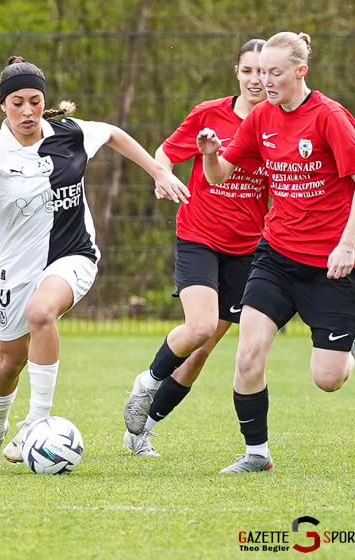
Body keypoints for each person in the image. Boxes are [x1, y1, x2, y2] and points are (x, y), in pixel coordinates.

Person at [0, 56, 190, 472]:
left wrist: (159, 171)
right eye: (17, 103)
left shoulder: (69, 132)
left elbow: (114, 134)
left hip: (74, 255)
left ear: (43, 101)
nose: (27, 111)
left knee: (42, 312)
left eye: (34, 101)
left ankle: (37, 421)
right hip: (15, 270)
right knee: (9, 362)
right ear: (3, 106)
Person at [197, 32, 355, 473]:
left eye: (275, 73)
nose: (265, 81)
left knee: (328, 379)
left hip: (331, 266)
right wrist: (210, 155)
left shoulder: (330, 117)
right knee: (247, 355)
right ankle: (256, 454)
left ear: (301, 71)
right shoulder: (261, 117)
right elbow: (220, 175)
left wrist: (346, 245)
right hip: (276, 257)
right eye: (261, 72)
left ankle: (349, 336)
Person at [121, 39, 271, 457]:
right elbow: (166, 152)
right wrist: (163, 176)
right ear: (236, 72)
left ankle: (140, 431)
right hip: (199, 237)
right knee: (200, 326)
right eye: (247, 70)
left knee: (201, 351)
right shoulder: (209, 114)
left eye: (262, 71)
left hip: (247, 249)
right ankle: (147, 383)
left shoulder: (280, 123)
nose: (255, 79)